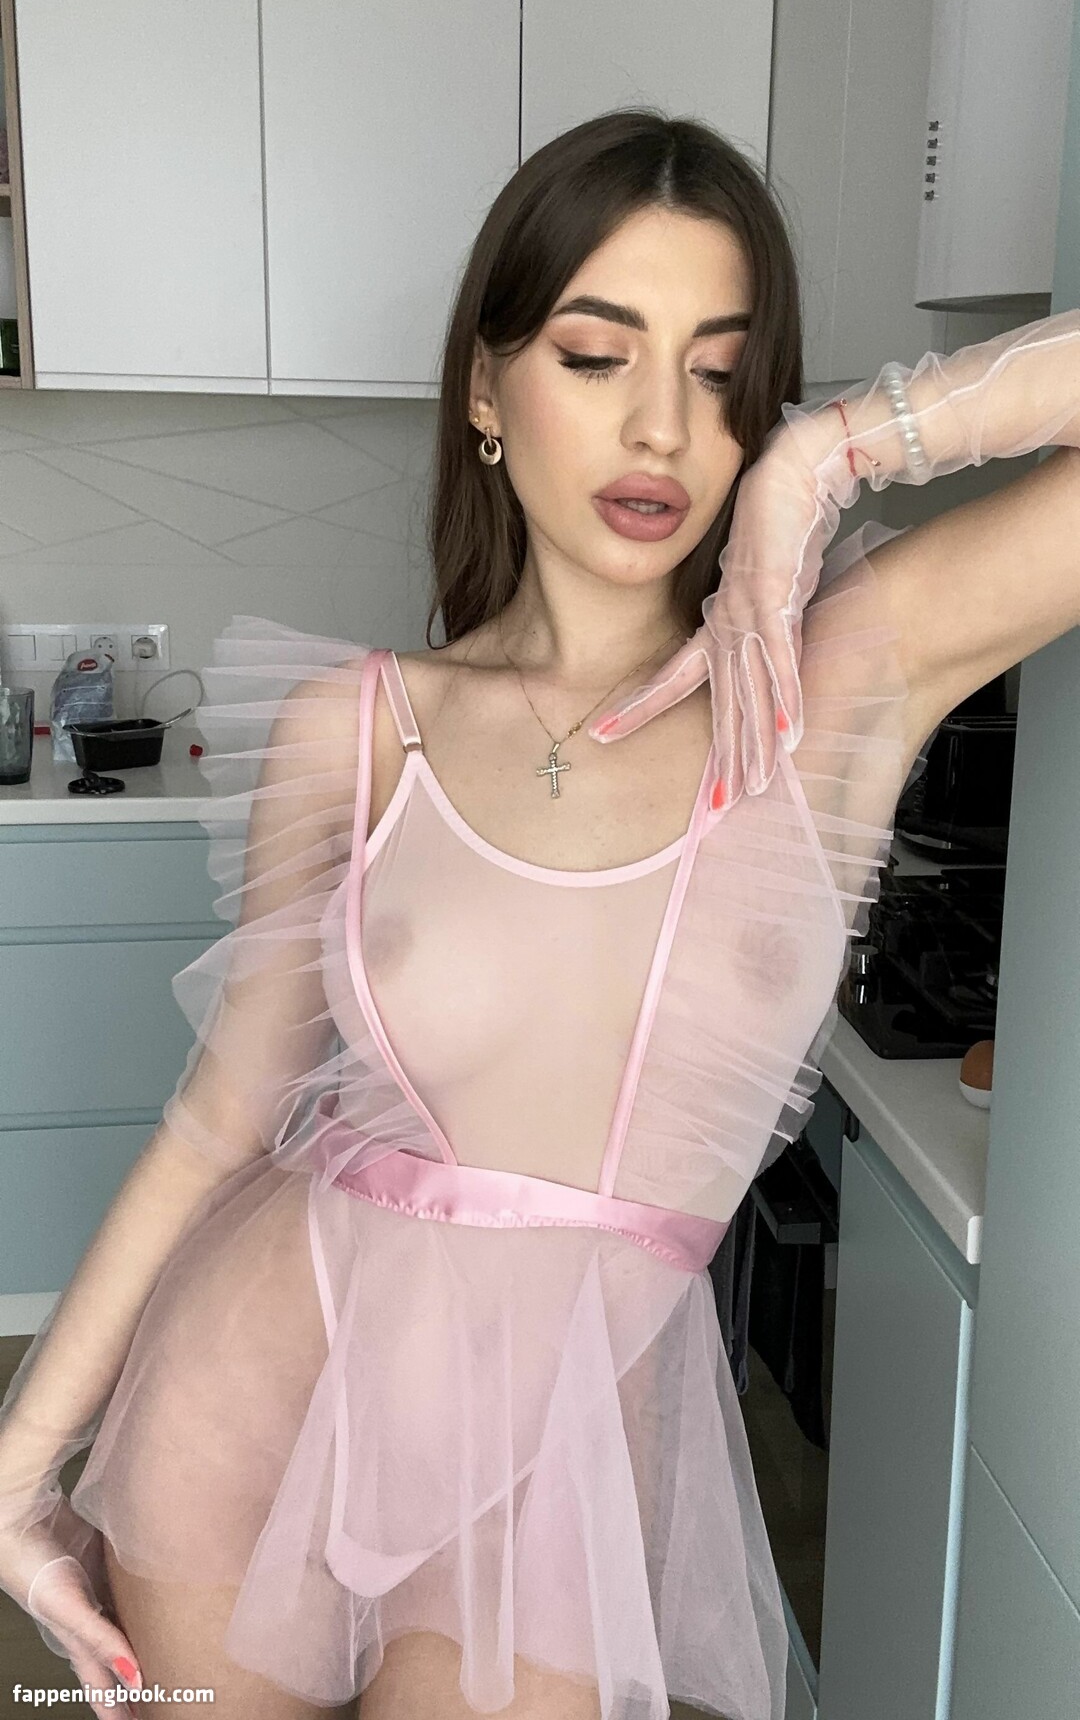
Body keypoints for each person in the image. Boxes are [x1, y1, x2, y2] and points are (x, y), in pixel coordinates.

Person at [1, 109, 1078, 1720]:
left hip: (558, 1483)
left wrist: (835, 451)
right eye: (595, 355)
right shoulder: (363, 729)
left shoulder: (838, 681)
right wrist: (16, 1469)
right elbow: (220, 1120)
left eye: (721, 375)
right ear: (487, 392)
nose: (662, 428)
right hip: (249, 1411)